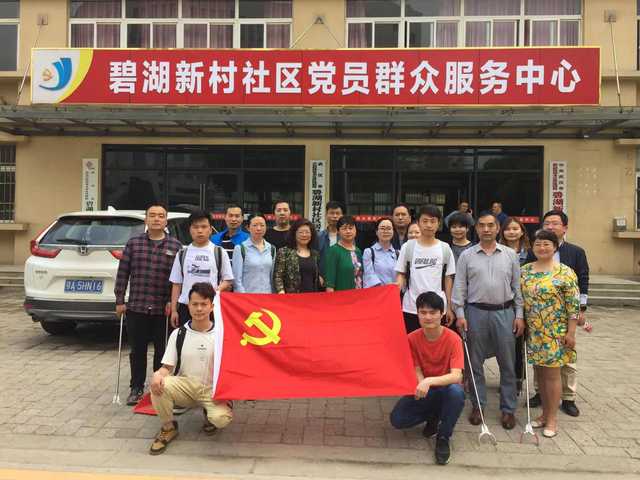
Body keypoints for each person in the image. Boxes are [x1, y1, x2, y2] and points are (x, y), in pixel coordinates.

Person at [452, 211, 525, 430]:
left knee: (507, 363)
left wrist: (519, 315)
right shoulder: (467, 256)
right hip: (475, 313)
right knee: (474, 362)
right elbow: (459, 287)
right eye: (482, 225)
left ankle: (508, 409)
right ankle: (478, 405)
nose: (486, 229)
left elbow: (517, 287)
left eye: (491, 225)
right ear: (476, 229)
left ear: (497, 228)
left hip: (504, 312)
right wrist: (460, 314)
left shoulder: (510, 255)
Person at [149, 283, 233, 455]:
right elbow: (167, 367)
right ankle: (168, 427)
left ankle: (209, 414)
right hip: (186, 387)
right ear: (188, 306)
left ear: (212, 307)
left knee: (221, 419)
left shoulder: (222, 335)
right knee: (159, 384)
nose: (199, 309)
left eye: (204, 304)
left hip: (212, 390)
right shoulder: (178, 334)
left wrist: (229, 393)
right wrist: (157, 374)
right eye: (195, 304)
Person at [115, 204, 183, 406]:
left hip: (163, 309)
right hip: (137, 306)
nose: (156, 219)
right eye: (152, 215)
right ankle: (136, 388)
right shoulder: (134, 244)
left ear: (166, 220)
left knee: (163, 351)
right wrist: (120, 300)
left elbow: (178, 279)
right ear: (146, 219)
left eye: (161, 216)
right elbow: (123, 273)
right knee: (137, 350)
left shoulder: (176, 246)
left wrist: (173, 302)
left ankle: (159, 387)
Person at [389, 292, 465, 466]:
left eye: (433, 312)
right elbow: (416, 368)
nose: (428, 317)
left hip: (445, 387)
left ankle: (443, 437)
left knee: (456, 392)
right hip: (425, 388)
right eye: (423, 312)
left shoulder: (454, 339)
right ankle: (434, 415)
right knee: (397, 420)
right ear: (417, 314)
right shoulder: (411, 338)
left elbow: (456, 375)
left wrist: (428, 381)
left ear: (442, 313)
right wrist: (422, 383)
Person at [527, 210, 589, 417]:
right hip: (538, 324)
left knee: (566, 360)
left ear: (565, 228)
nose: (550, 227)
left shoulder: (575, 252)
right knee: (540, 364)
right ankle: (540, 395)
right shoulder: (532, 257)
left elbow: (583, 280)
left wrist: (581, 309)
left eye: (555, 223)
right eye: (547, 223)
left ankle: (568, 397)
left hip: (561, 321)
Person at [520, 230, 579, 438]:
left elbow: (573, 306)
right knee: (540, 375)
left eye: (546, 244)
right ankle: (544, 414)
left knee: (553, 376)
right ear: (532, 247)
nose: (542, 248)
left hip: (556, 333)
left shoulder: (565, 272)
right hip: (534, 332)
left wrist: (571, 332)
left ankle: (552, 419)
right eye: (538, 244)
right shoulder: (525, 271)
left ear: (555, 247)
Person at [396, 205, 455, 333]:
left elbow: (448, 279)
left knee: (435, 342)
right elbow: (401, 273)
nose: (429, 225)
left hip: (437, 309)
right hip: (412, 307)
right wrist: (395, 290)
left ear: (438, 223)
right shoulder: (408, 247)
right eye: (425, 221)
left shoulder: (445, 248)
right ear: (418, 223)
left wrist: (450, 307)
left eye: (433, 221)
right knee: (412, 341)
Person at [170, 211, 233, 328]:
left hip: (210, 307)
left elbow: (228, 280)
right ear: (190, 230)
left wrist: (216, 290)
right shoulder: (182, 253)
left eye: (204, 227)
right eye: (196, 227)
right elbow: (176, 284)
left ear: (210, 229)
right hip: (186, 307)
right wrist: (174, 310)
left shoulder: (219, 252)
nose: (200, 231)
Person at [499, 216, 532, 394]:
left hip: (527, 303)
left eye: (515, 229)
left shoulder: (531, 252)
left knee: (519, 344)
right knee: (505, 344)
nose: (511, 232)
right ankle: (507, 378)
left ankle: (517, 379)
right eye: (508, 229)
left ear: (522, 231)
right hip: (504, 303)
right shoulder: (497, 251)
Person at [274, 218, 321, 293]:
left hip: (311, 296)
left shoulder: (315, 254)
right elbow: (278, 277)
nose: (304, 235)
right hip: (291, 297)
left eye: (307, 232)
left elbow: (316, 278)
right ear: (294, 234)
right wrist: (281, 293)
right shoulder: (284, 252)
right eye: (301, 232)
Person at [232, 214, 275, 293]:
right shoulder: (240, 248)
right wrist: (244, 297)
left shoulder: (272, 249)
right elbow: (237, 280)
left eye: (262, 225)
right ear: (248, 228)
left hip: (267, 296)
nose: (259, 228)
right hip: (248, 296)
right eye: (255, 225)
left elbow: (272, 277)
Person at [324, 216, 363, 292]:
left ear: (355, 230)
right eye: (344, 228)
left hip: (358, 295)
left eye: (351, 228)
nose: (348, 231)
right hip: (341, 297)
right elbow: (329, 284)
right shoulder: (334, 250)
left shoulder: (358, 251)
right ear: (338, 231)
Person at [363, 217, 398, 288]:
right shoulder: (369, 252)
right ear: (376, 232)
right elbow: (369, 275)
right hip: (377, 293)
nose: (386, 231)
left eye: (389, 228)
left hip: (395, 293)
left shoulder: (398, 254)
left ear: (393, 232)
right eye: (382, 228)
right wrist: (386, 289)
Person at [317, 201, 344, 276]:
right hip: (323, 278)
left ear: (342, 216)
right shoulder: (318, 237)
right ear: (326, 215)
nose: (335, 216)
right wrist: (318, 276)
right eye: (332, 213)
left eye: (337, 213)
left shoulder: (347, 237)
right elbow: (314, 260)